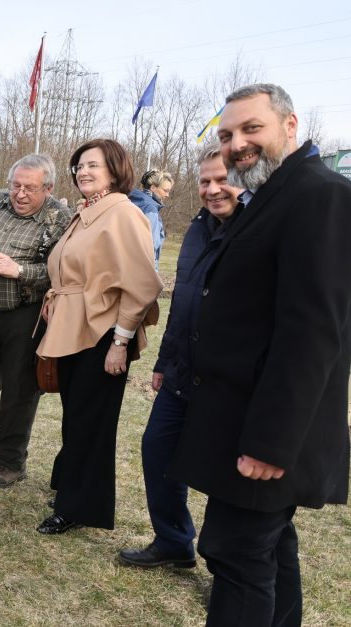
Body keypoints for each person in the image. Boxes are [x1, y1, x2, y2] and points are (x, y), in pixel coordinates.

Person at [171, 84, 351, 625]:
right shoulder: (270, 195)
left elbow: (313, 330)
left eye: (252, 129)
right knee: (270, 549)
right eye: (227, 135)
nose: (237, 144)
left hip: (267, 429)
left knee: (236, 553)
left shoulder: (320, 195)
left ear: (290, 125)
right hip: (240, 416)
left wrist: (271, 442)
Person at [117, 143, 241, 569]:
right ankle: (173, 540)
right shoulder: (197, 228)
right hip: (182, 371)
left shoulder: (257, 231)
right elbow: (183, 302)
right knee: (157, 449)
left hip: (229, 379)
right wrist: (163, 362)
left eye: (222, 180)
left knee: (226, 476)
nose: (212, 190)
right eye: (205, 181)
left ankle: (231, 570)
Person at [36, 138, 162, 534]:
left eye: (93, 165)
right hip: (73, 328)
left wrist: (120, 342)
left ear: (115, 171)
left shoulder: (123, 214)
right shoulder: (87, 212)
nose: (83, 172)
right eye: (79, 166)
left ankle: (78, 506)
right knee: (76, 416)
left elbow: (142, 284)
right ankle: (71, 484)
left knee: (92, 422)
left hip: (103, 333)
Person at [0, 154, 73, 488]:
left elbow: (60, 272)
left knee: (17, 391)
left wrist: (20, 270)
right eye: (16, 185)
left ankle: (12, 461)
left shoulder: (58, 218)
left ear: (48, 188)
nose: (20, 194)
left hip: (26, 313)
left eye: (30, 188)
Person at [128, 169, 173, 270]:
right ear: (153, 187)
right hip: (143, 269)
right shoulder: (150, 209)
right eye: (165, 191)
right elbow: (150, 246)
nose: (167, 195)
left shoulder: (131, 201)